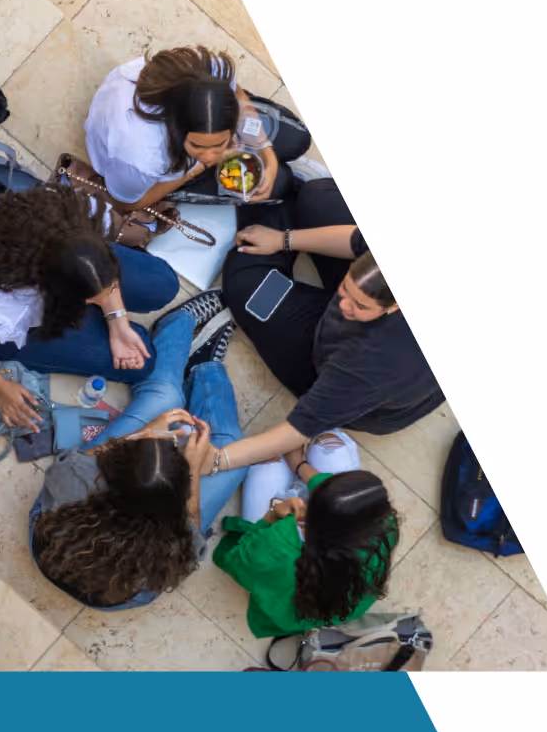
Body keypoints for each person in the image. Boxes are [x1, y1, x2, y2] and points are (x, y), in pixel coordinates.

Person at [30, 291, 250, 610]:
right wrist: (193, 474)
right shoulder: (173, 549)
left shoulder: (76, 480)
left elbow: (81, 459)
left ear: (115, 467)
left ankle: (180, 327)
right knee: (231, 448)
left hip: (54, 543)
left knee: (165, 396)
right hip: (112, 591)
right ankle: (206, 367)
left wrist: (144, 432)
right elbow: (190, 530)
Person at [209, 177, 445, 474]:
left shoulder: (368, 366)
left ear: (395, 306)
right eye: (345, 290)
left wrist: (217, 460)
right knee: (318, 197)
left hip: (351, 372)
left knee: (246, 286)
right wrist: (284, 239)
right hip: (379, 339)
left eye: (358, 305)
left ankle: (270, 205)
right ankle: (279, 208)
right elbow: (356, 241)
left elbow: (296, 429)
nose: (343, 305)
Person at [0, 184, 180, 430]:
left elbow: (100, 277)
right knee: (144, 361)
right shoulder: (10, 309)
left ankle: (93, 307)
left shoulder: (73, 212)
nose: (103, 300)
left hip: (45, 256)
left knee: (163, 283)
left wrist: (118, 322)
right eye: (89, 301)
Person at [83, 45, 311, 212]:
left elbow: (236, 92)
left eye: (221, 143)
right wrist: (199, 167)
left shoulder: (206, 70)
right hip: (142, 172)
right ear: (176, 130)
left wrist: (265, 151)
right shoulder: (140, 159)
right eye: (198, 146)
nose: (217, 156)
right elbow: (126, 203)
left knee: (299, 139)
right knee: (280, 184)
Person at [213, 455, 398, 638]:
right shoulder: (384, 530)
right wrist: (299, 464)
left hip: (283, 603)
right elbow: (341, 501)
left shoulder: (279, 543)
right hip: (316, 607)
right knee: (332, 443)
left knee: (269, 464)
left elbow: (234, 561)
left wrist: (273, 515)